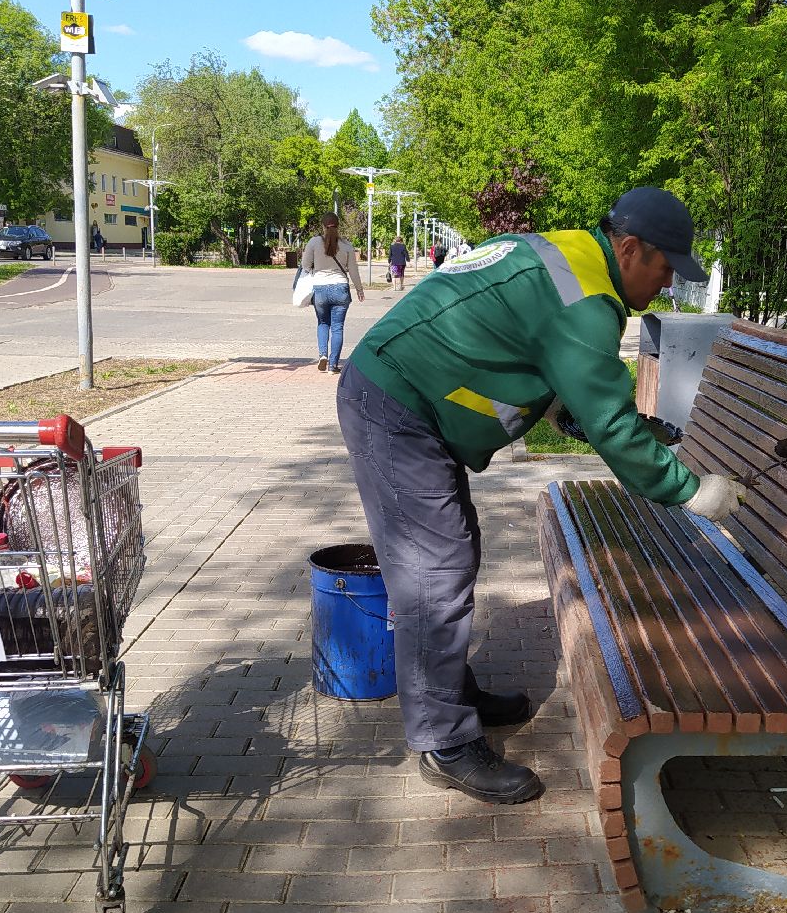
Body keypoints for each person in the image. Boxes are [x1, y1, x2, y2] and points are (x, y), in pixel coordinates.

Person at [335, 187, 742, 805]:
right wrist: (689, 491)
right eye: (665, 269)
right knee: (435, 570)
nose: (666, 285)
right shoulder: (587, 303)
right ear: (630, 249)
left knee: (451, 554)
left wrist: (562, 402)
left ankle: (448, 689)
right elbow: (611, 426)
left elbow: (518, 340)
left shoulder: (568, 255)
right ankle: (443, 741)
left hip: (404, 394)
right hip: (397, 405)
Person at [301, 212, 365, 373]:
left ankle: (323, 355)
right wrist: (359, 289)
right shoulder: (346, 245)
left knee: (323, 323)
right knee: (337, 327)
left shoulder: (314, 242)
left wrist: (315, 271)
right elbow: (353, 271)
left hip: (320, 289)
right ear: (338, 225)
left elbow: (305, 265)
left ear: (323, 226)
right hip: (340, 289)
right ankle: (333, 365)